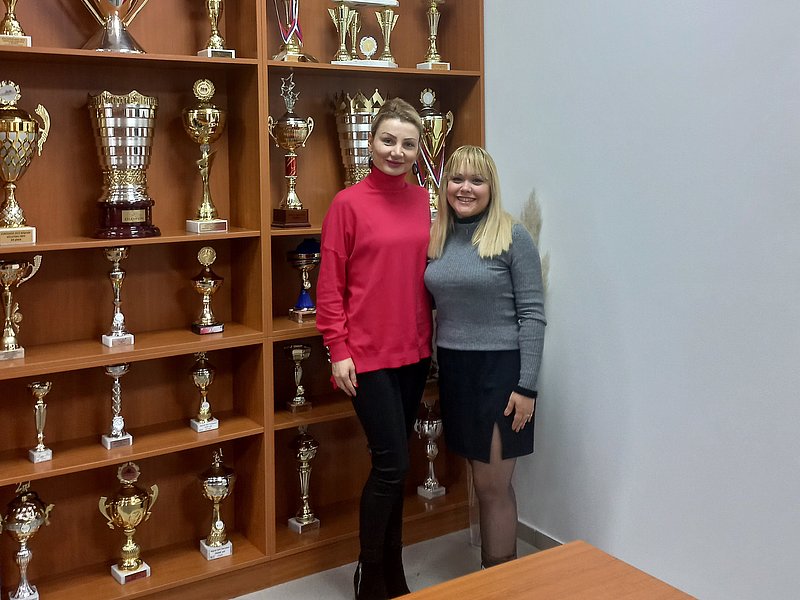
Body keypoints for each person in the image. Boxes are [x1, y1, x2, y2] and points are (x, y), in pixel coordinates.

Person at [316, 98, 432, 600]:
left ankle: (394, 571)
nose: (396, 151)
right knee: (392, 465)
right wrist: (337, 348)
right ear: (370, 141)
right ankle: (369, 572)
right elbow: (329, 284)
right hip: (365, 357)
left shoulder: (424, 201)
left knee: (396, 465)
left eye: (407, 143)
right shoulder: (347, 204)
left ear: (418, 150)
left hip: (415, 353)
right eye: (388, 140)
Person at [424, 145, 546, 569]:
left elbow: (533, 315)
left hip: (501, 372)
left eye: (477, 180)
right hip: (456, 370)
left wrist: (527, 387)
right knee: (479, 483)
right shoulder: (437, 238)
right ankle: (492, 577)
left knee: (493, 486)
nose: (465, 188)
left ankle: (501, 581)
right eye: (457, 178)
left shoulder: (513, 236)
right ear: (445, 186)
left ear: (491, 187)